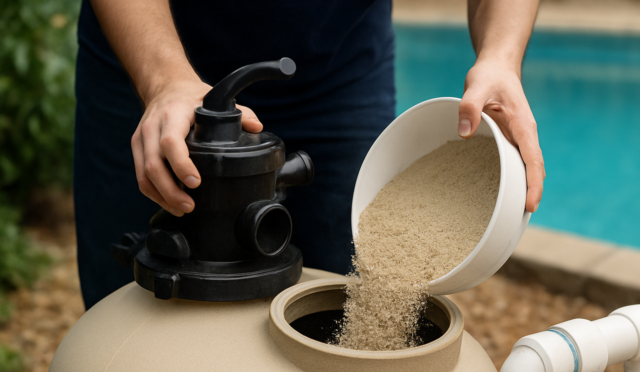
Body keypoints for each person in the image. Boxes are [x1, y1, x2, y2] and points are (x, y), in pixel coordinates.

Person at [74, 0, 545, 309]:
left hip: (337, 71)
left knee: (350, 300)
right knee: (130, 312)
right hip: (147, 54)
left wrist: (501, 55)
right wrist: (161, 79)